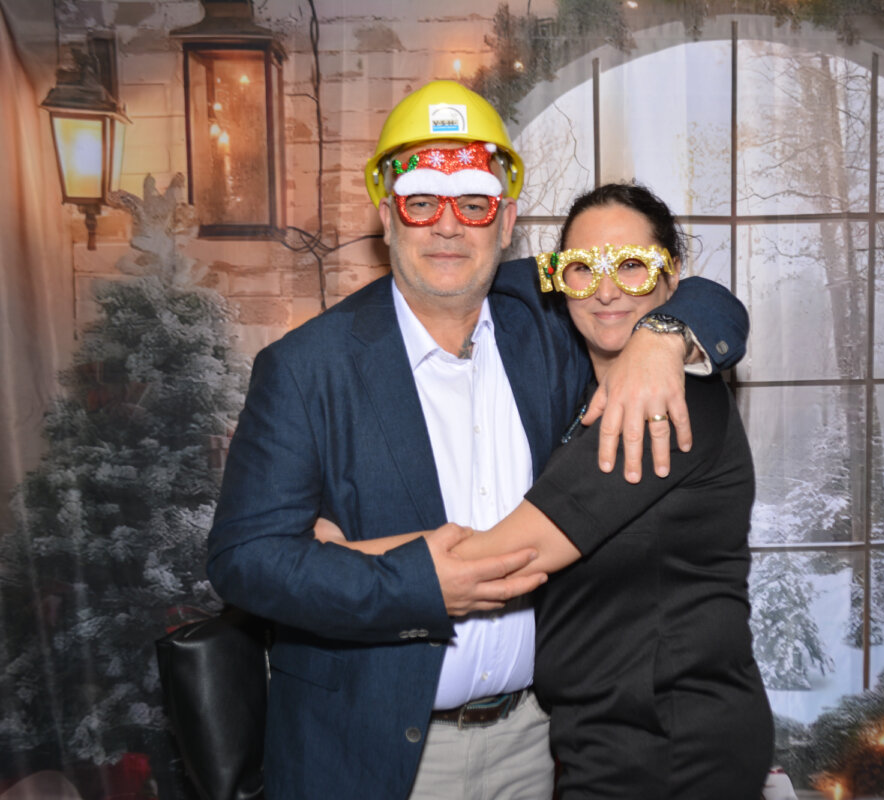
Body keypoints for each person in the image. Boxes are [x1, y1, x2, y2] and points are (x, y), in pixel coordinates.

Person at [206, 81, 748, 800]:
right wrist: (410, 582)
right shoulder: (306, 367)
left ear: (506, 220)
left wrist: (664, 335)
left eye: (473, 203)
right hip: (372, 754)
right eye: (421, 202)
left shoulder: (546, 321)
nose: (447, 228)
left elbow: (691, 293)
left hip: (534, 743)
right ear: (386, 214)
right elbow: (244, 561)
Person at [322, 183, 773, 798]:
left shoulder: (662, 407)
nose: (606, 290)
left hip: (667, 744)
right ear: (561, 281)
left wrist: (337, 556)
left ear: (672, 280)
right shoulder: (582, 391)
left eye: (634, 266)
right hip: (603, 734)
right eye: (583, 268)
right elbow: (480, 274)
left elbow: (508, 556)